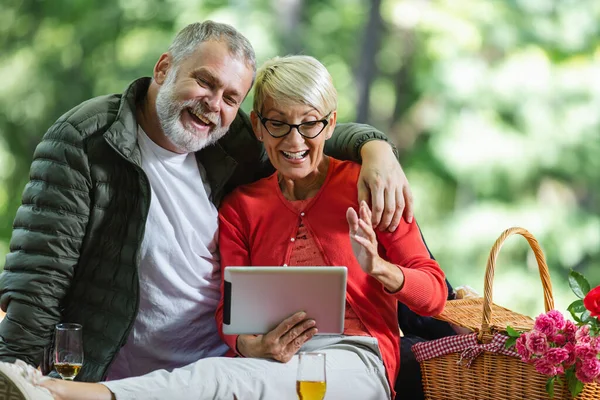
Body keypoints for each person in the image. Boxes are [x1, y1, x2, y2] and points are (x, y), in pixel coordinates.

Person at [0, 54, 447, 400]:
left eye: (309, 123)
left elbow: (435, 295)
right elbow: (229, 314)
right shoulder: (242, 206)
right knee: (233, 378)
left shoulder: (370, 185)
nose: (294, 141)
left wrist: (381, 270)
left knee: (221, 378)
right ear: (258, 127)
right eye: (278, 123)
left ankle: (80, 394)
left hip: (356, 359)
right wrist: (250, 345)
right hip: (271, 365)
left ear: (330, 124)